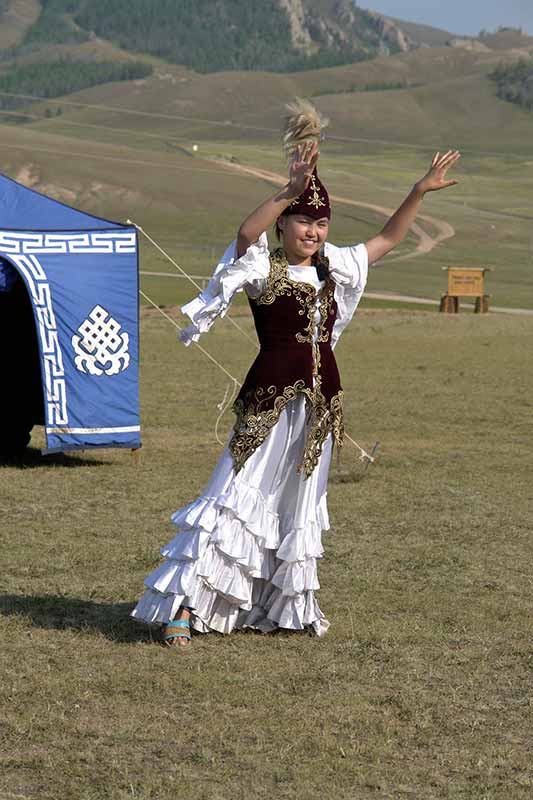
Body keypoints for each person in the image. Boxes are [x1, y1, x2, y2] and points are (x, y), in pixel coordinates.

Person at [132, 100, 460, 647]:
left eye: (321, 221)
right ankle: (183, 609)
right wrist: (289, 188)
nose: (313, 230)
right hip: (267, 404)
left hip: (321, 408)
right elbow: (243, 233)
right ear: (284, 224)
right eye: (304, 220)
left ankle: (276, 606)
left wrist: (419, 192)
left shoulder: (337, 268)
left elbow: (388, 240)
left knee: (296, 501)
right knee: (235, 494)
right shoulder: (264, 267)